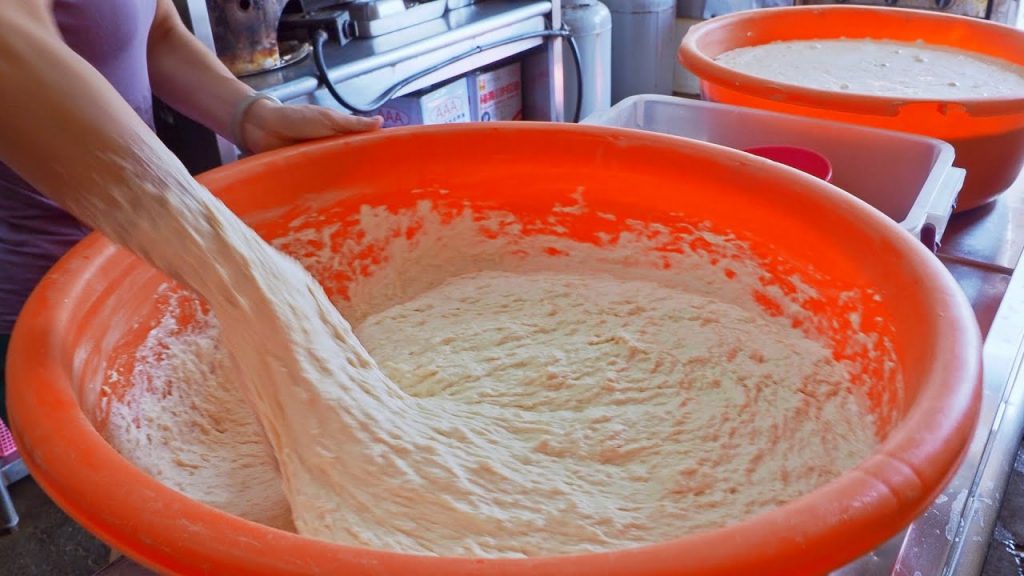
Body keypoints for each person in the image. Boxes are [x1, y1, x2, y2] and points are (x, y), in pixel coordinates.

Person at [0, 0, 382, 422]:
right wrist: (247, 275)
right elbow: (9, 48)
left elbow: (157, 32)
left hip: (150, 262)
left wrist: (252, 115)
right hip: (40, 295)